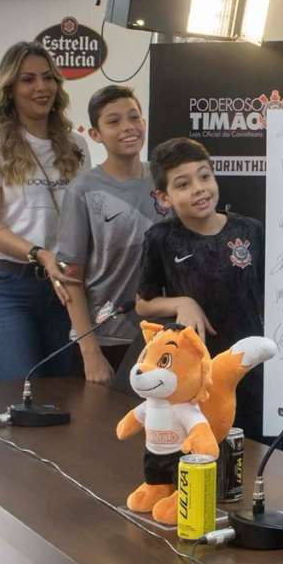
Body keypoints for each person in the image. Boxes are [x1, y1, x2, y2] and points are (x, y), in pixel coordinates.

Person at [0, 41, 89, 381]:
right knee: (20, 401)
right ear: (10, 87)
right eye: (28, 79)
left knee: (68, 400)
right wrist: (40, 254)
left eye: (48, 78)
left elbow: (83, 218)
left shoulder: (77, 145)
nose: (41, 87)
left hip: (64, 290)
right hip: (4, 288)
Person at [135, 138, 265, 440]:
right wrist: (182, 303)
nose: (199, 188)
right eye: (183, 184)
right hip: (194, 375)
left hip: (250, 368)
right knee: (201, 447)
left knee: (252, 446)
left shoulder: (250, 231)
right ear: (164, 197)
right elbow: (143, 303)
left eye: (204, 176)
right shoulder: (160, 238)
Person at [55, 85, 170, 385]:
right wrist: (90, 352)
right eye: (114, 121)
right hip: (107, 339)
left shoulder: (166, 177)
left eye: (134, 117)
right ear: (95, 134)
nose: (128, 127)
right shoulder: (83, 190)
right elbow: (71, 278)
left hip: (161, 336)